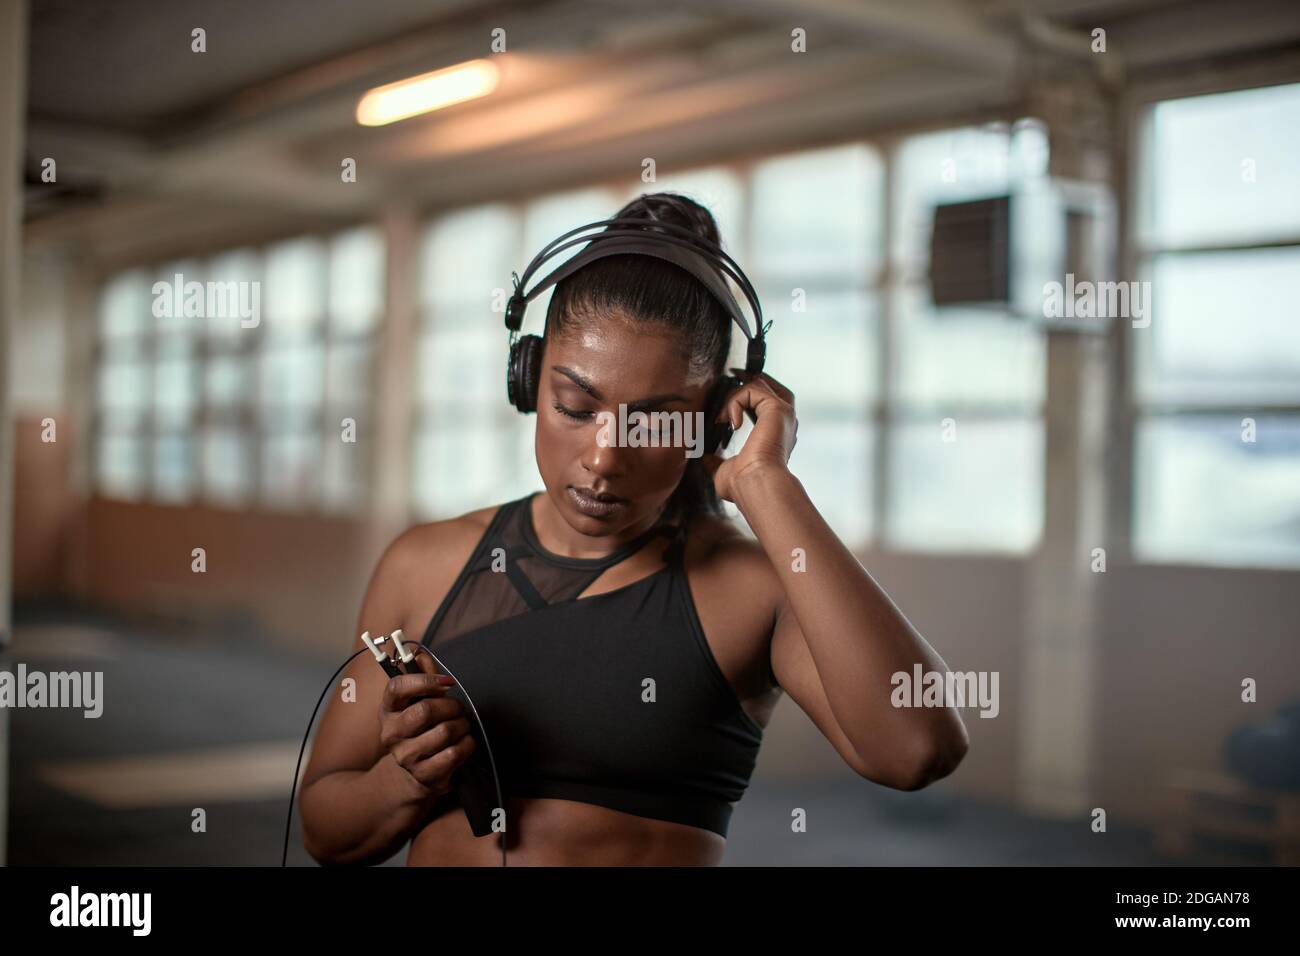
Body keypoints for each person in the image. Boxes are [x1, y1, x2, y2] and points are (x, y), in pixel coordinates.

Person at [298, 192, 969, 866]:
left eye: (653, 422)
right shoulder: (422, 563)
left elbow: (916, 747)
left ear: (712, 422)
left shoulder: (750, 588)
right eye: (574, 406)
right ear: (527, 382)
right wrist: (406, 778)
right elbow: (327, 831)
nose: (603, 459)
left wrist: (765, 484)